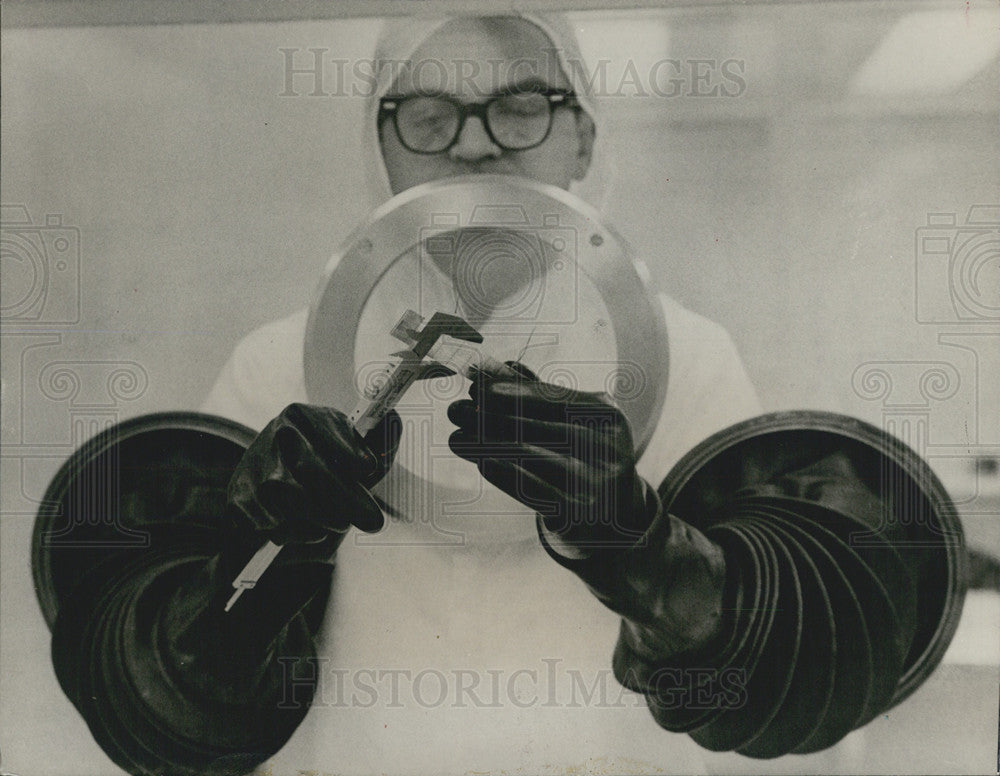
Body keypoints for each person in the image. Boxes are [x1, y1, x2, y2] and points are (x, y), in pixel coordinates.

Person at [47, 12, 933, 776]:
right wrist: (264, 552)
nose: (474, 142)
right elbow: (178, 687)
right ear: (381, 145)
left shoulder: (688, 358)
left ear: (582, 136)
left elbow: (771, 664)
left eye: (520, 107)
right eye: (428, 115)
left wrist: (640, 542)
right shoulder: (279, 363)